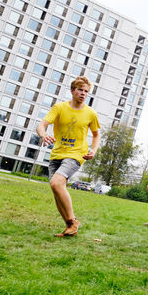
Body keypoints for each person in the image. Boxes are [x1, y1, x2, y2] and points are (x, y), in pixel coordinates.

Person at [36, 76, 100, 237]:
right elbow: (41, 125)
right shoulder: (59, 107)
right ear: (72, 91)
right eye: (80, 90)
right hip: (57, 153)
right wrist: (44, 135)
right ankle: (69, 227)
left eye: (86, 91)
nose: (83, 93)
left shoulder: (90, 113)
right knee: (56, 188)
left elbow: (96, 135)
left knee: (56, 183)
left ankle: (73, 221)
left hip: (77, 154)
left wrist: (94, 150)